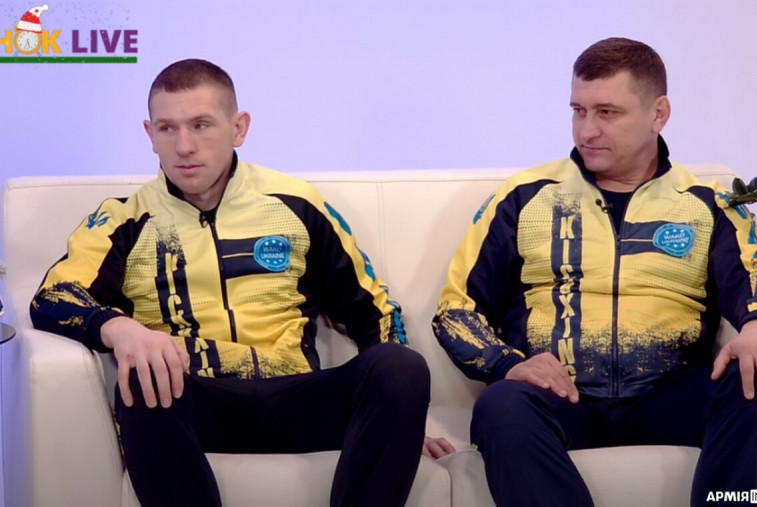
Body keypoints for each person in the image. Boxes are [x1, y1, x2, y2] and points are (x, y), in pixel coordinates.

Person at [31, 58, 453, 507]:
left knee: (400, 368)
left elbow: (375, 311)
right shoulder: (123, 220)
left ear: (238, 128)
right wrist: (120, 329)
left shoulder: (295, 204)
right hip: (194, 400)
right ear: (150, 135)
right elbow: (52, 298)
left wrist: (399, 421)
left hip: (298, 399)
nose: (184, 146)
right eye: (168, 129)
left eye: (201, 125)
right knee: (141, 379)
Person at [432, 37, 757, 507]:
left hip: (669, 393)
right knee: (501, 404)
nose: (587, 131)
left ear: (658, 114)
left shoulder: (707, 203)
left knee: (753, 378)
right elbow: (455, 310)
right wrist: (508, 364)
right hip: (561, 397)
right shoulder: (525, 197)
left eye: (607, 113)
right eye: (578, 111)